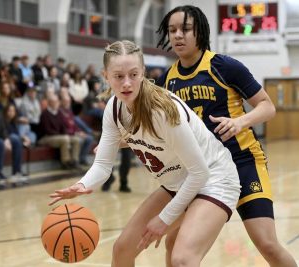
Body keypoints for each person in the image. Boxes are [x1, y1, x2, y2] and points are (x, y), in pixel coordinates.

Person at [49, 40, 241, 267]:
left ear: (143, 73)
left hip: (214, 179)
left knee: (182, 260)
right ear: (106, 76)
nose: (126, 83)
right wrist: (82, 184)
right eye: (118, 76)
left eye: (133, 74)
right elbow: (102, 165)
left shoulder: (161, 110)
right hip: (178, 183)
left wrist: (164, 219)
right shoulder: (113, 108)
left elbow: (199, 173)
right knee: (123, 250)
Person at [156, 5, 297, 267]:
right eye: (172, 30)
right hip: (203, 171)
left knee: (267, 243)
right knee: (173, 244)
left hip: (243, 162)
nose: (177, 35)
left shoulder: (224, 66)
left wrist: (240, 122)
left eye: (185, 29)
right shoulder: (166, 80)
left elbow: (268, 106)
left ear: (200, 31)